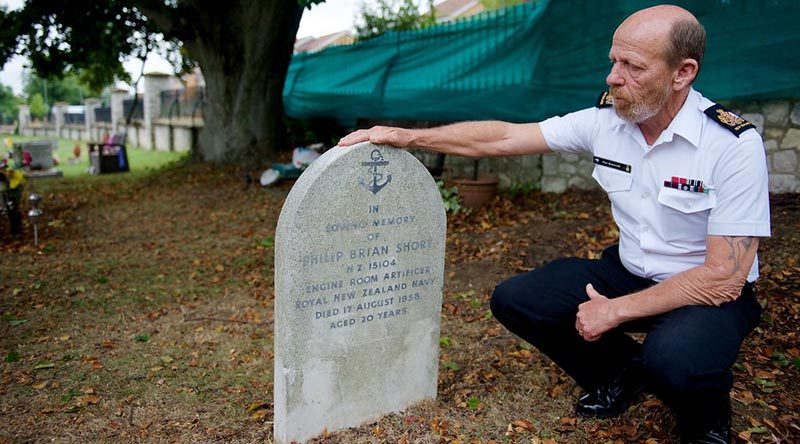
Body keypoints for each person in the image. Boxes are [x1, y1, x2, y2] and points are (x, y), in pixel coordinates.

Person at [337, 5, 769, 443]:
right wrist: (410, 137)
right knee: (519, 299)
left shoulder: (731, 145)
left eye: (633, 67)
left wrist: (614, 311)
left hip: (704, 293)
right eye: (614, 61)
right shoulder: (608, 122)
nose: (613, 78)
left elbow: (723, 279)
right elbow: (506, 137)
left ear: (683, 73)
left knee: (676, 360)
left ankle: (708, 420)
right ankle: (623, 375)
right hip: (629, 272)